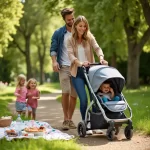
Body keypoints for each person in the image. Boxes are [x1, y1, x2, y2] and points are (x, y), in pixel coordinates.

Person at [67, 15, 108, 134]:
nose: (83, 28)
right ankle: (85, 123)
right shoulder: (70, 39)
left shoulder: (89, 37)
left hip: (91, 71)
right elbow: (71, 55)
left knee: (94, 97)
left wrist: (101, 58)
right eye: (80, 26)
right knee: (84, 100)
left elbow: (97, 48)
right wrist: (80, 63)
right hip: (77, 72)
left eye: (85, 26)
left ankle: (95, 124)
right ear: (76, 26)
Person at [50, 8, 77, 130]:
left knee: (74, 94)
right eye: (69, 20)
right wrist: (54, 61)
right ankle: (65, 119)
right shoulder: (58, 33)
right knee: (65, 92)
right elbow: (53, 49)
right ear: (64, 20)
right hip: (64, 66)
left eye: (72, 18)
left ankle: (70, 119)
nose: (71, 21)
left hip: (76, 66)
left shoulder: (79, 31)